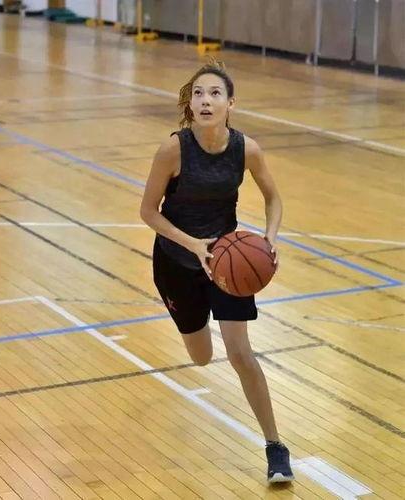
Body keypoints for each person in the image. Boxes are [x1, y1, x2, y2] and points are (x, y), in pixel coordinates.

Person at [140, 59, 294, 483]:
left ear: (230, 104)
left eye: (214, 93)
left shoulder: (247, 149)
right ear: (190, 104)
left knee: (241, 354)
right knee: (202, 357)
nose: (205, 101)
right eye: (198, 94)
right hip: (177, 262)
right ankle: (196, 321)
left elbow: (273, 198)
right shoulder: (173, 149)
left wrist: (270, 239)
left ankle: (275, 447)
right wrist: (192, 244)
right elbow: (148, 212)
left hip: (227, 261)